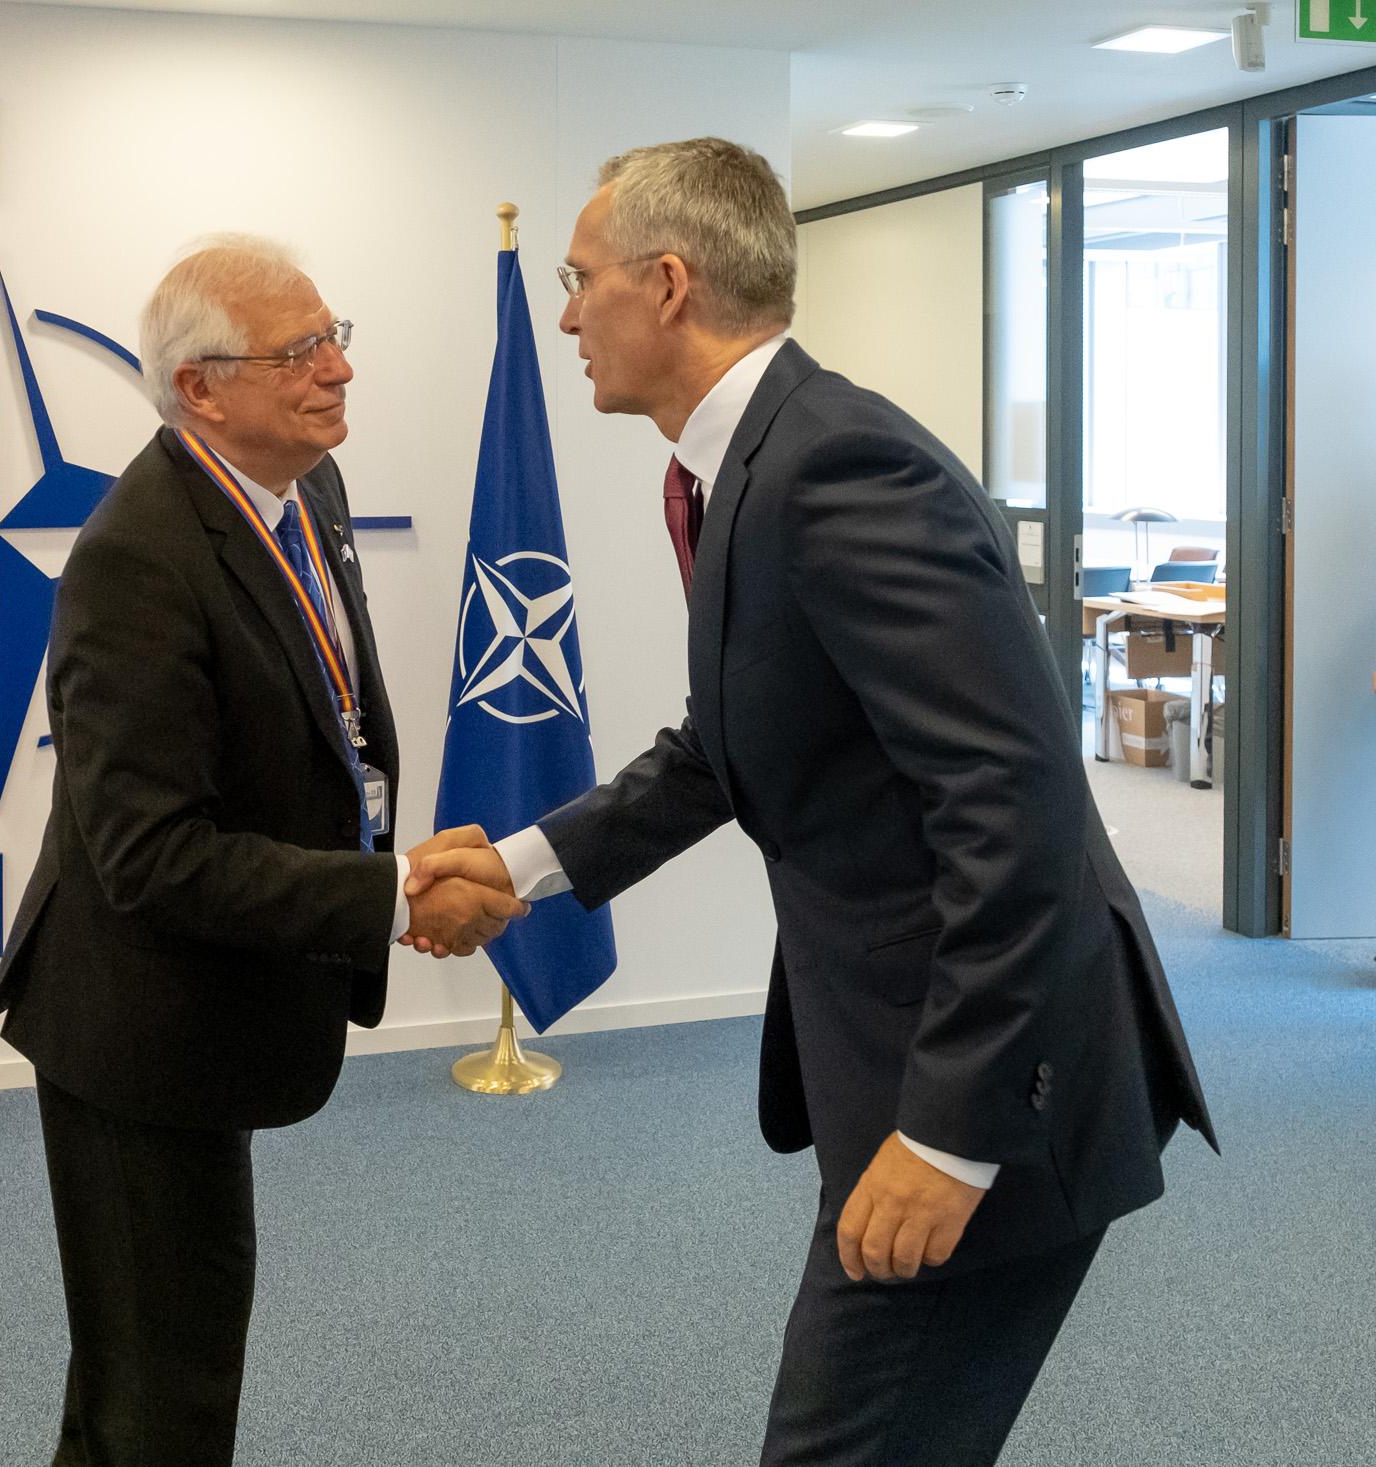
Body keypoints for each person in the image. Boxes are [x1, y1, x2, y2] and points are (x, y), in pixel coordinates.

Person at [407, 139, 1216, 1466]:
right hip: (921, 1057)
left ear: (668, 284)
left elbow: (1012, 811)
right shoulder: (750, 464)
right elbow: (730, 739)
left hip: (996, 1086)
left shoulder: (839, 470)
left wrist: (953, 1132)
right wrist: (526, 862)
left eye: (578, 278)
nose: (563, 314)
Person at [0, 236, 525, 1467]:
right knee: (162, 1390)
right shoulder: (136, 557)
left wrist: (386, 867)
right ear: (200, 391)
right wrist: (388, 893)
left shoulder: (302, 491)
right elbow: (149, 857)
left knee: (146, 1364)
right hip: (134, 1028)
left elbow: (326, 732)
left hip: (216, 1007)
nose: (337, 371)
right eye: (300, 352)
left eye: (336, 337)